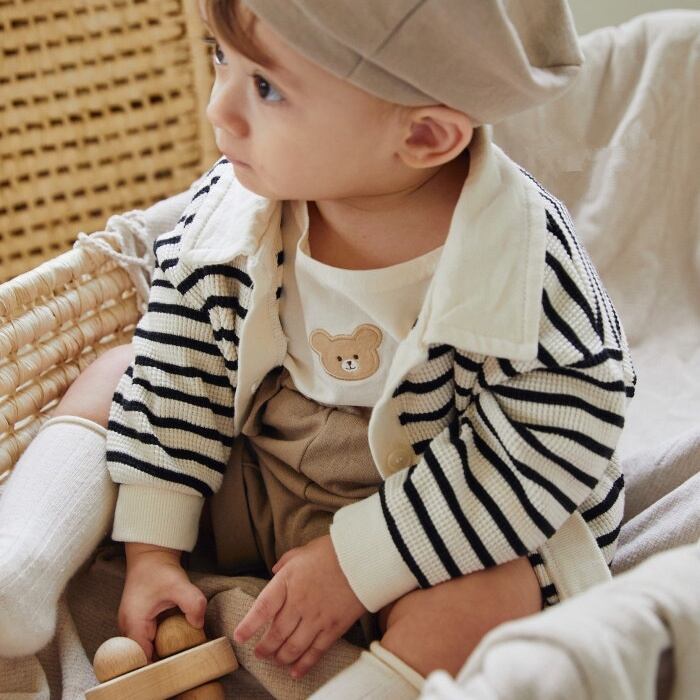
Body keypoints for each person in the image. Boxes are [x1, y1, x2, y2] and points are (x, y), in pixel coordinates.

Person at [0, 0, 636, 695]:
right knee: (122, 369)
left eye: (265, 87)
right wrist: (153, 550)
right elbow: (180, 367)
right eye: (220, 57)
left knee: (496, 596)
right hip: (262, 476)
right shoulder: (233, 209)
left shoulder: (523, 262)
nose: (219, 109)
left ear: (424, 135)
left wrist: (358, 564)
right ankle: (20, 567)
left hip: (431, 515)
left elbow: (549, 443)